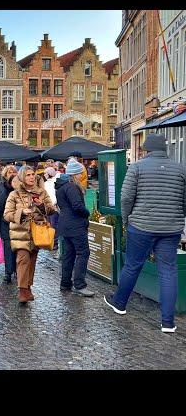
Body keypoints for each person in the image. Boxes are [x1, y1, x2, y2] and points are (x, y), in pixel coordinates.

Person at [104, 134, 186, 333]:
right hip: (170, 228)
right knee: (168, 271)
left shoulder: (137, 168)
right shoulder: (181, 168)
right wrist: (178, 217)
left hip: (141, 226)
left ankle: (120, 303)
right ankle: (168, 323)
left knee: (133, 265)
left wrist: (126, 219)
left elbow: (126, 198)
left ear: (147, 149)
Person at [3, 166, 57, 304]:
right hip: (19, 233)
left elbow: (51, 210)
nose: (32, 177)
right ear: (22, 177)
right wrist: (21, 212)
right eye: (28, 175)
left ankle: (28, 287)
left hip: (36, 233)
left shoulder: (41, 192)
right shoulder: (14, 195)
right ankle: (22, 290)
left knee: (31, 262)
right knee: (23, 260)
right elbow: (7, 215)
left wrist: (40, 205)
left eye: (33, 174)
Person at [55, 160, 95, 297]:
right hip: (75, 226)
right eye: (81, 173)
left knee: (69, 255)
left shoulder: (61, 187)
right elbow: (77, 206)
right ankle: (79, 285)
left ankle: (65, 284)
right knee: (83, 253)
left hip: (65, 225)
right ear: (76, 174)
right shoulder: (72, 187)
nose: (83, 176)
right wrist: (87, 212)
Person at [0, 165, 18, 283]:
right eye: (9, 172)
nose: (11, 174)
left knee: (17, 247)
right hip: (5, 221)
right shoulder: (0, 186)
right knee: (8, 247)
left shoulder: (20, 188)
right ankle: (8, 272)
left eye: (13, 172)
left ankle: (17, 269)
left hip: (18, 222)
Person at [43, 166, 61, 251]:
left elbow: (54, 196)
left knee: (54, 225)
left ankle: (55, 242)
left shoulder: (54, 182)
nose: (44, 174)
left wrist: (53, 204)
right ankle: (51, 241)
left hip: (53, 207)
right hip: (48, 207)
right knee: (50, 224)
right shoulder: (46, 183)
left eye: (45, 173)